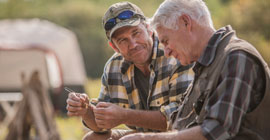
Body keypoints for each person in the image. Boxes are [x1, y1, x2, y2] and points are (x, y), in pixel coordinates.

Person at [119, 0, 270, 140]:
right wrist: (118, 136)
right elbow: (177, 123)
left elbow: (216, 130)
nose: (166, 52)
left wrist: (146, 139)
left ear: (186, 22)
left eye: (165, 41)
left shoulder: (237, 57)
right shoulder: (205, 66)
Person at [66, 2, 194, 140]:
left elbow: (181, 118)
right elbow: (101, 126)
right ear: (114, 47)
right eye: (122, 40)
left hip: (182, 134)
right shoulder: (113, 67)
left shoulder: (174, 53)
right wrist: (86, 111)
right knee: (92, 138)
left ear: (149, 29)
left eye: (136, 33)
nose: (133, 44)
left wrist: (124, 116)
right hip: (144, 134)